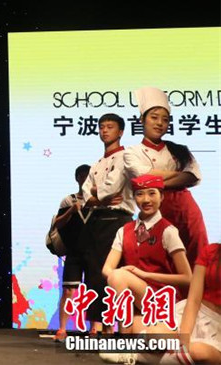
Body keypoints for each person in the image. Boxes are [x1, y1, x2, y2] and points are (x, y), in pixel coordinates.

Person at [98, 174, 192, 363]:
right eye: (140, 194)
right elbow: (107, 269)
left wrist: (144, 275)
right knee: (142, 336)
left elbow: (187, 277)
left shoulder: (168, 231)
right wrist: (124, 277)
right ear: (134, 197)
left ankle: (124, 346)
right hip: (139, 303)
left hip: (164, 303)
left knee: (119, 277)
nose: (146, 199)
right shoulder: (124, 231)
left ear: (162, 196)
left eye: (152, 193)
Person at [124, 87, 209, 269]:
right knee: (160, 258)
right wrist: (179, 175)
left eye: (165, 119)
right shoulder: (132, 152)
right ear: (142, 120)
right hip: (155, 208)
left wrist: (156, 181)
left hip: (186, 209)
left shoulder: (179, 149)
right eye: (154, 117)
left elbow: (194, 176)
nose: (160, 123)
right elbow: (142, 176)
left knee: (197, 254)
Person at [79, 113, 136, 335]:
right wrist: (97, 197)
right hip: (96, 219)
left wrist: (97, 193)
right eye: (101, 127)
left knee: (113, 273)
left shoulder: (125, 157)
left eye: (110, 127)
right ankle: (100, 326)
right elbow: (86, 193)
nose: (104, 130)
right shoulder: (97, 163)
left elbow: (112, 188)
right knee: (94, 272)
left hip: (117, 219)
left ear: (120, 131)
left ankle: (119, 328)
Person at [160, 242, 221, 365]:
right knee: (155, 336)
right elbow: (193, 300)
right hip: (194, 314)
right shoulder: (211, 251)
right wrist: (184, 338)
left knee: (197, 352)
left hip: (217, 331)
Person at [53, 164, 91, 341]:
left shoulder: (99, 200)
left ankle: (94, 329)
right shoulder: (68, 200)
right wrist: (71, 211)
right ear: (77, 179)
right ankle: (62, 329)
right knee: (69, 290)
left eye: (88, 176)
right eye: (82, 176)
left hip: (94, 252)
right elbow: (57, 224)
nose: (85, 179)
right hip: (74, 252)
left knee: (94, 291)